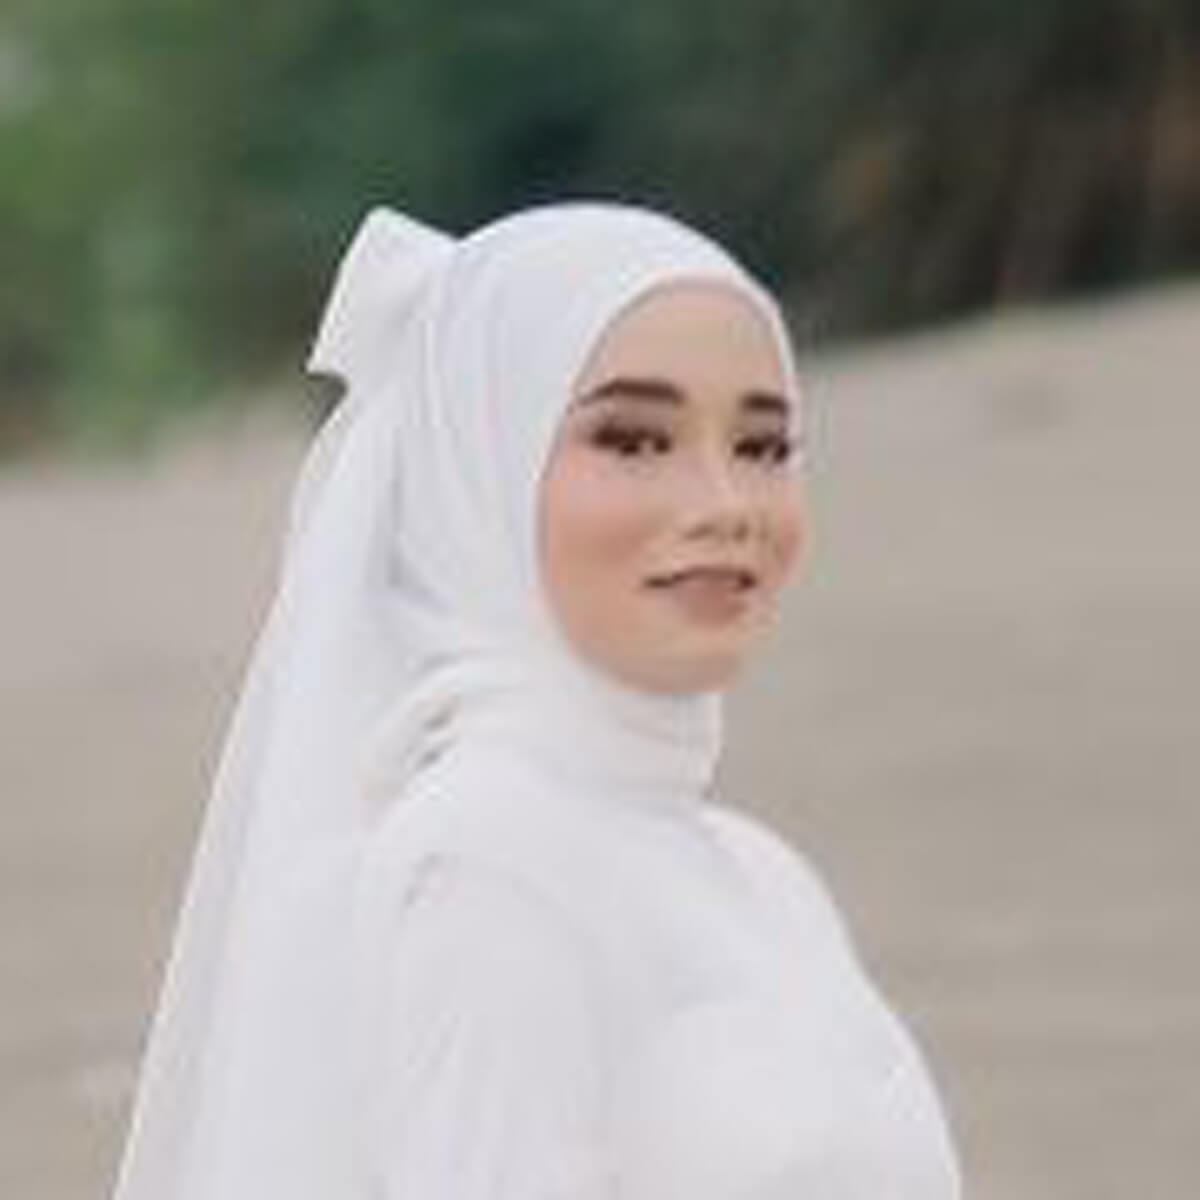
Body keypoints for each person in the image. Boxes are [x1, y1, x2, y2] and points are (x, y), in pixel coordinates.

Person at [111, 202, 963, 1199]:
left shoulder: (764, 876)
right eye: (634, 440)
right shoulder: (487, 867)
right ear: (485, 468)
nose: (726, 505)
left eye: (764, 447)